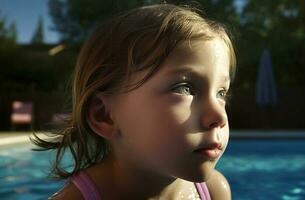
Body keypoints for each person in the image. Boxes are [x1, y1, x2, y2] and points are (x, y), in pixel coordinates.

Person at [32, 3, 236, 200]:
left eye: (221, 93)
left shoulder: (214, 191)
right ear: (105, 116)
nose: (219, 116)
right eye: (184, 88)